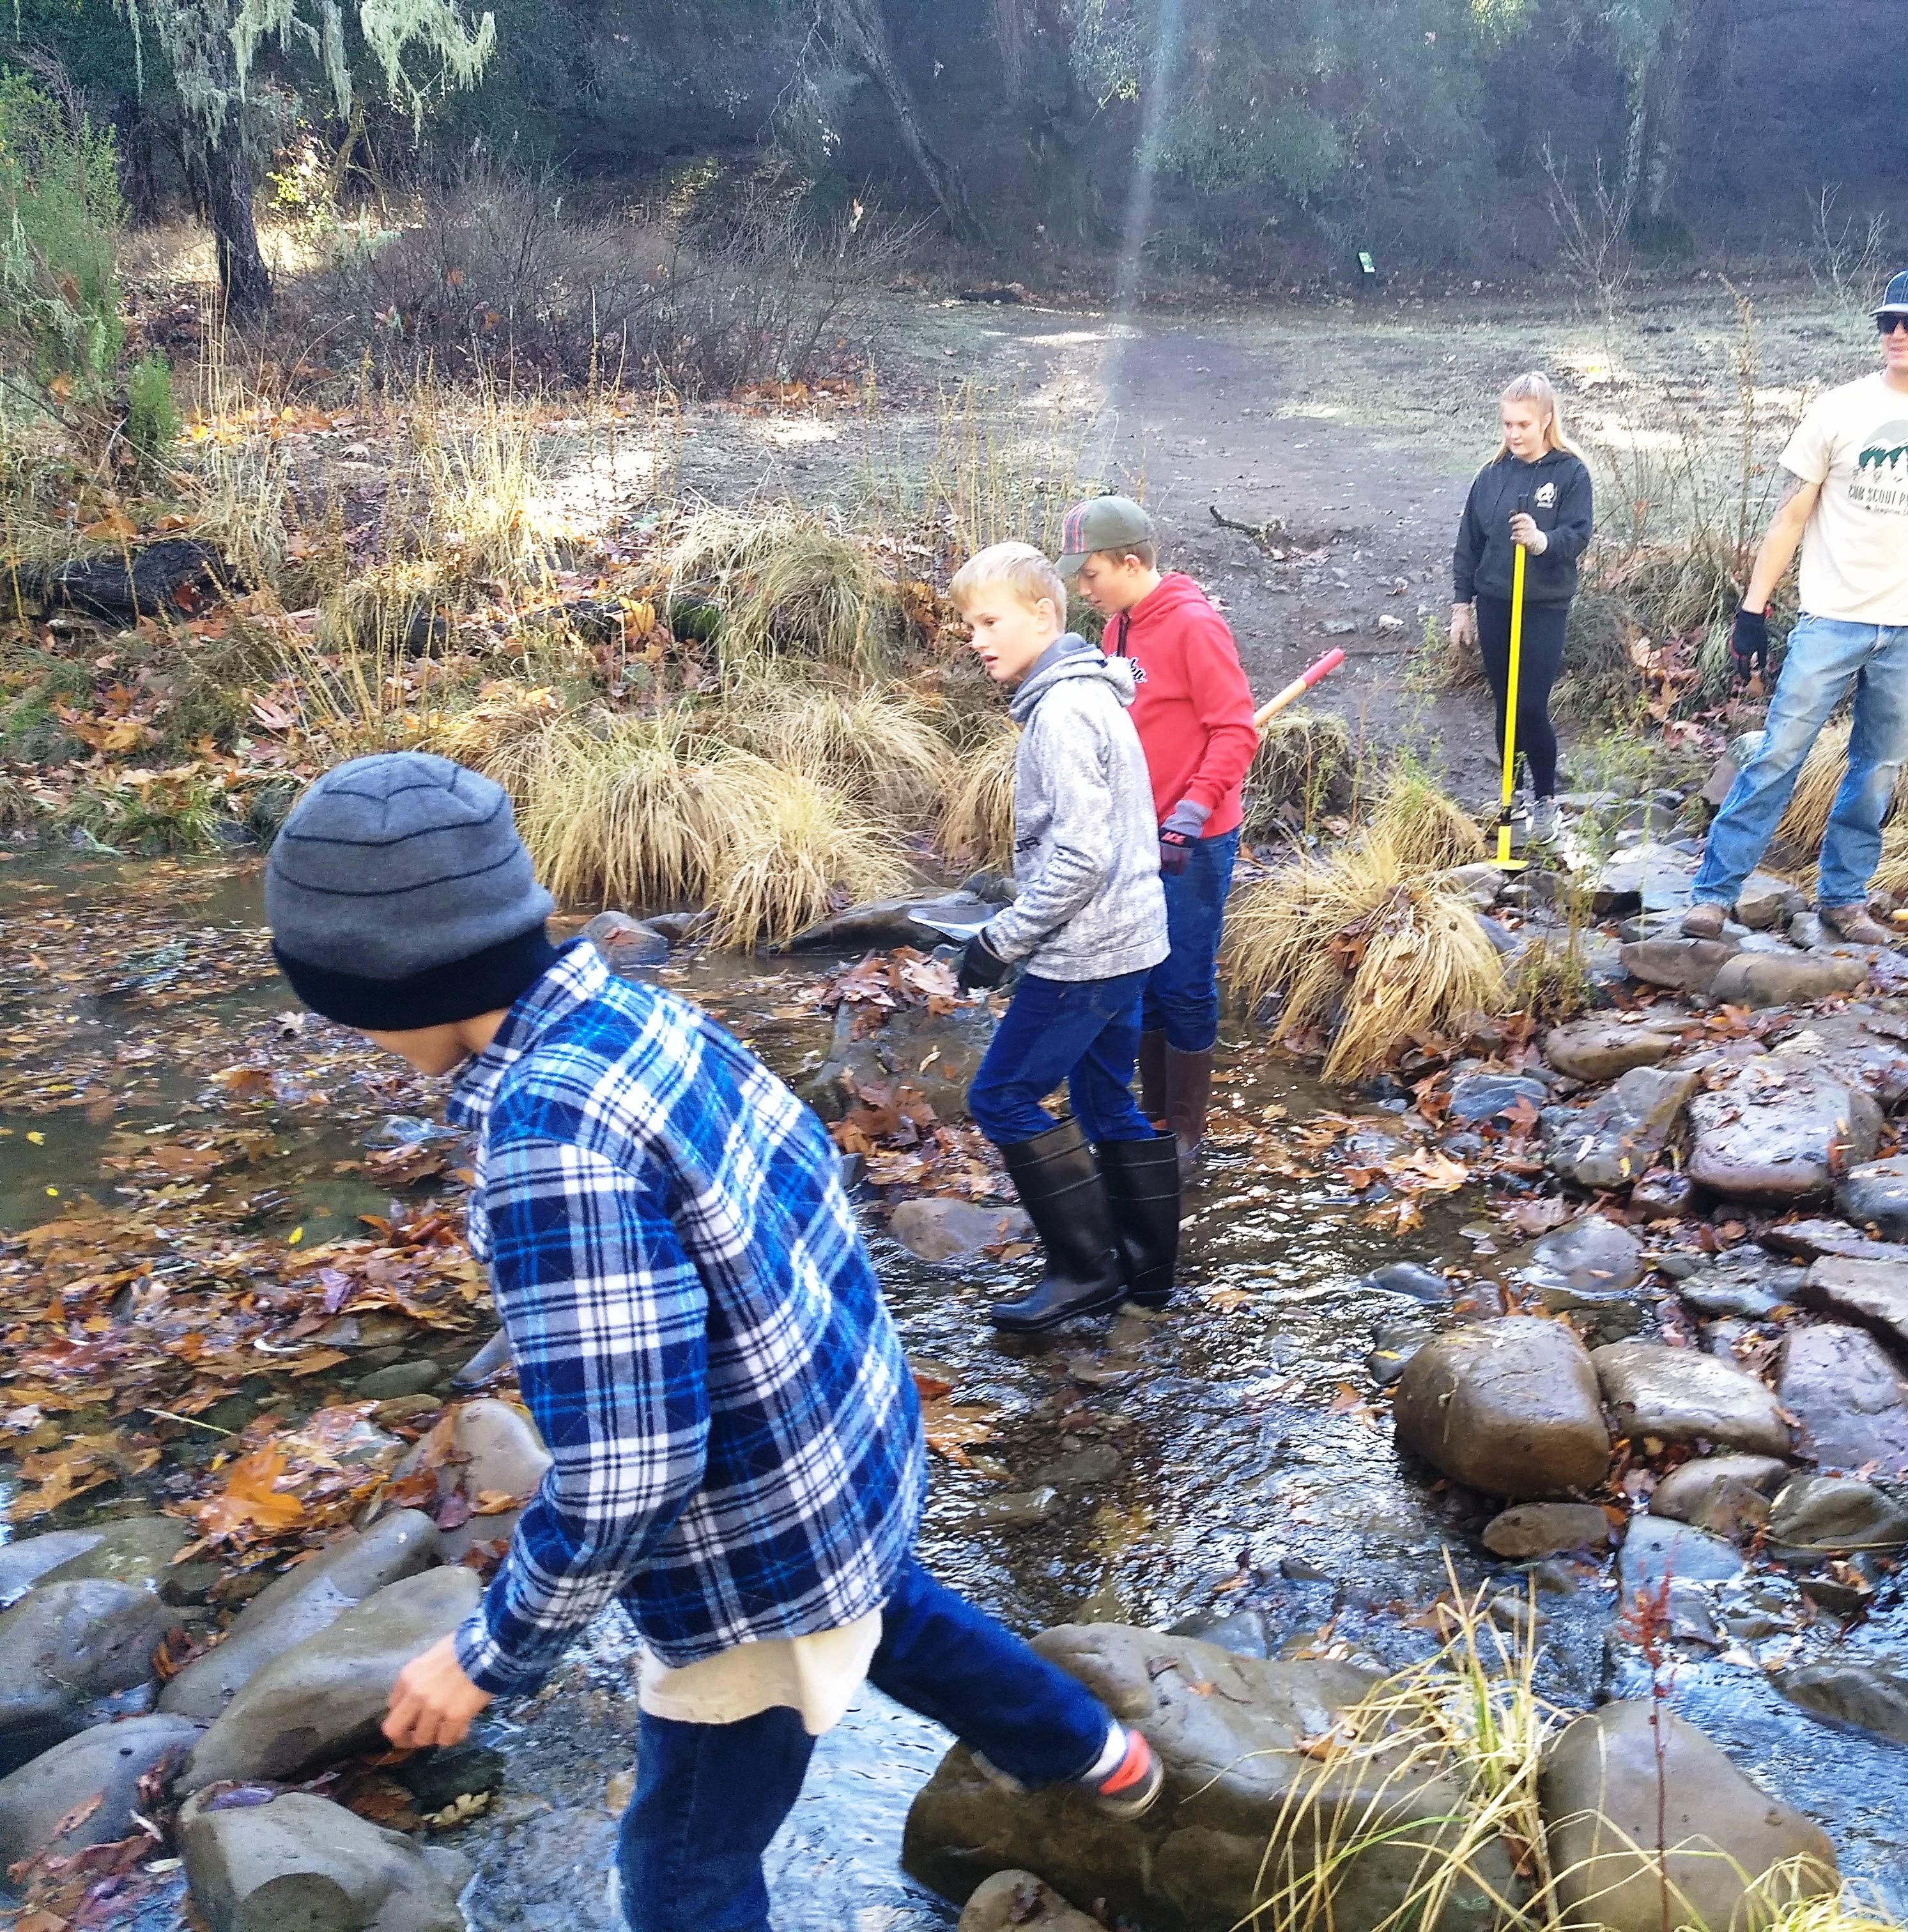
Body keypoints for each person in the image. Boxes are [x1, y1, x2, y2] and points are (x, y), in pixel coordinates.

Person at [259, 752, 1162, 1932]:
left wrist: (489, 1650)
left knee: (683, 1866)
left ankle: (1081, 1748)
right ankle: (1095, 1749)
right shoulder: (634, 1012)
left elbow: (631, 1467)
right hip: (847, 1454)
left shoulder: (549, 1137)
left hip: (745, 1556)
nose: (361, 1040)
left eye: (347, 1009)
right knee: (894, 1610)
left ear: (390, 984)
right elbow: (811, 1196)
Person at [1686, 266, 1908, 947]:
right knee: (1778, 754)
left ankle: (1843, 899)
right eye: (1888, 321)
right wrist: (1753, 610)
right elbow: (1792, 513)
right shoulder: (1839, 410)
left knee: (1878, 767)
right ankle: (1713, 894)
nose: (1898, 334)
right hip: (1831, 617)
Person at [948, 540, 1178, 1332]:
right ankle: (1146, 1277)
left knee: (1001, 1096)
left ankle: (1085, 1272)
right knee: (1104, 1097)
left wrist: (1000, 940)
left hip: (1088, 953)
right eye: (968, 624)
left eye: (989, 621)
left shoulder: (1062, 714)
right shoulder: (1088, 697)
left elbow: (1083, 852)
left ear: (1044, 615)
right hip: (1132, 941)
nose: (977, 639)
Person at [1058, 495, 1260, 1176]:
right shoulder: (1119, 629)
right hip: (1138, 832)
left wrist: (1194, 810)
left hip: (1194, 839)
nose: (1084, 590)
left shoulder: (1194, 627)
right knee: (1139, 974)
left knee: (1184, 982)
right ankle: (1149, 1116)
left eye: (1091, 575)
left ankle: (1186, 1136)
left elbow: (1236, 730)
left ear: (1132, 561)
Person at [1451, 371, 1594, 848]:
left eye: (1523, 425)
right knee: (1505, 706)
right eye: (1507, 424)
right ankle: (1508, 799)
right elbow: (1468, 544)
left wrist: (1540, 541)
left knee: (1530, 705)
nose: (1514, 434)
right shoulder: (1491, 477)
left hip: (1543, 605)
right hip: (1495, 600)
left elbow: (1578, 536)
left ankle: (1546, 801)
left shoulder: (1570, 473)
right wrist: (1461, 606)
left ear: (1546, 421)